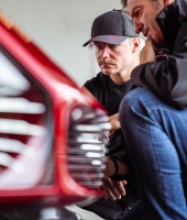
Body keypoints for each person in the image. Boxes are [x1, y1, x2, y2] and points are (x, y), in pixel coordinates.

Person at [117, 0, 187, 219]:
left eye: (138, 13)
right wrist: (110, 166)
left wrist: (141, 69)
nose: (136, 27)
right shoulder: (172, 45)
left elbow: (179, 84)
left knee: (138, 105)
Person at [79, 9, 143, 220]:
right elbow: (63, 143)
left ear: (135, 44)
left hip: (150, 189)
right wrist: (96, 169)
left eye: (113, 46)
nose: (103, 55)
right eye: (98, 47)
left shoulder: (155, 84)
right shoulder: (89, 92)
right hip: (109, 194)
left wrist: (108, 167)